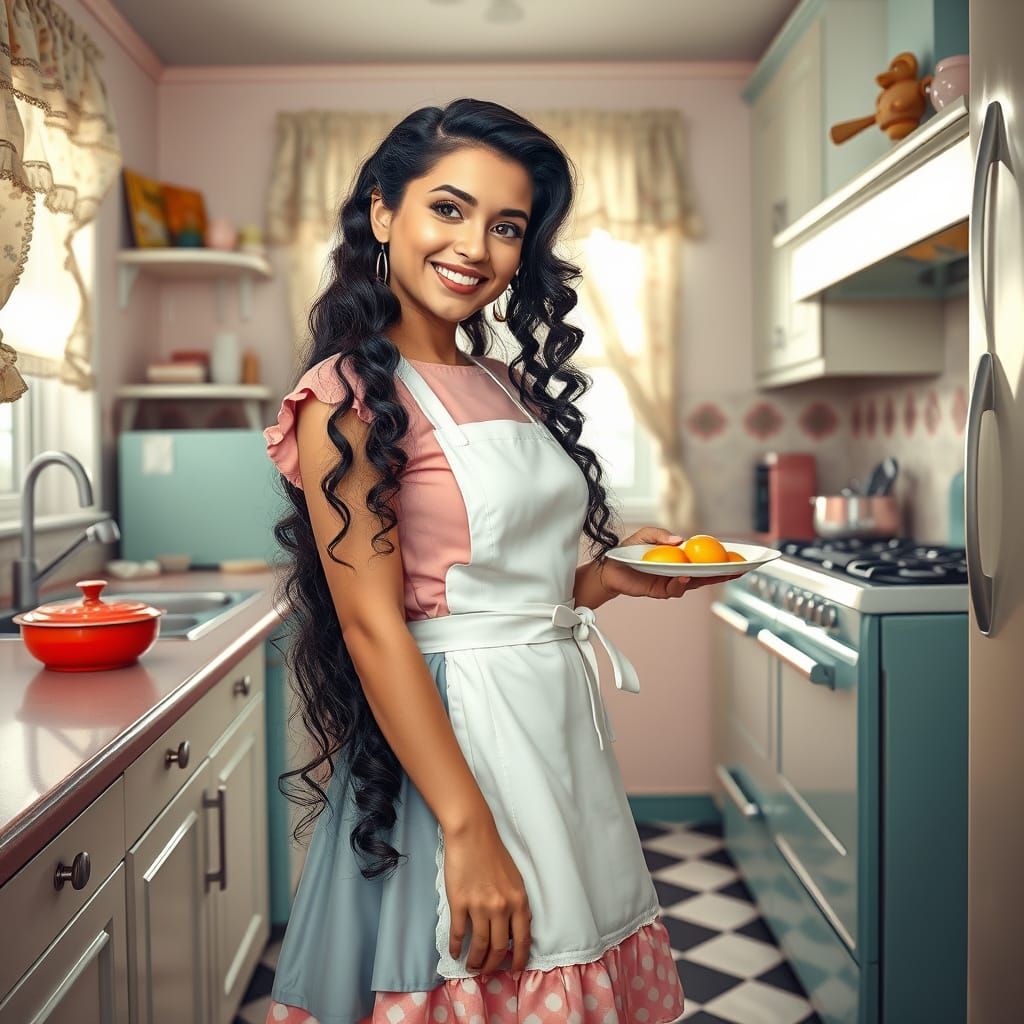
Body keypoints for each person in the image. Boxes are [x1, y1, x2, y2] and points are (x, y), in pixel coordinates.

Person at [262, 97, 725, 1024]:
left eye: (505, 225)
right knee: (485, 965)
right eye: (449, 208)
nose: (476, 244)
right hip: (457, 743)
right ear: (384, 213)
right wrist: (467, 831)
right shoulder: (346, 398)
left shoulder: (501, 382)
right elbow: (372, 623)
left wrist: (607, 577)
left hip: (554, 731)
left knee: (569, 947)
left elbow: (511, 579)